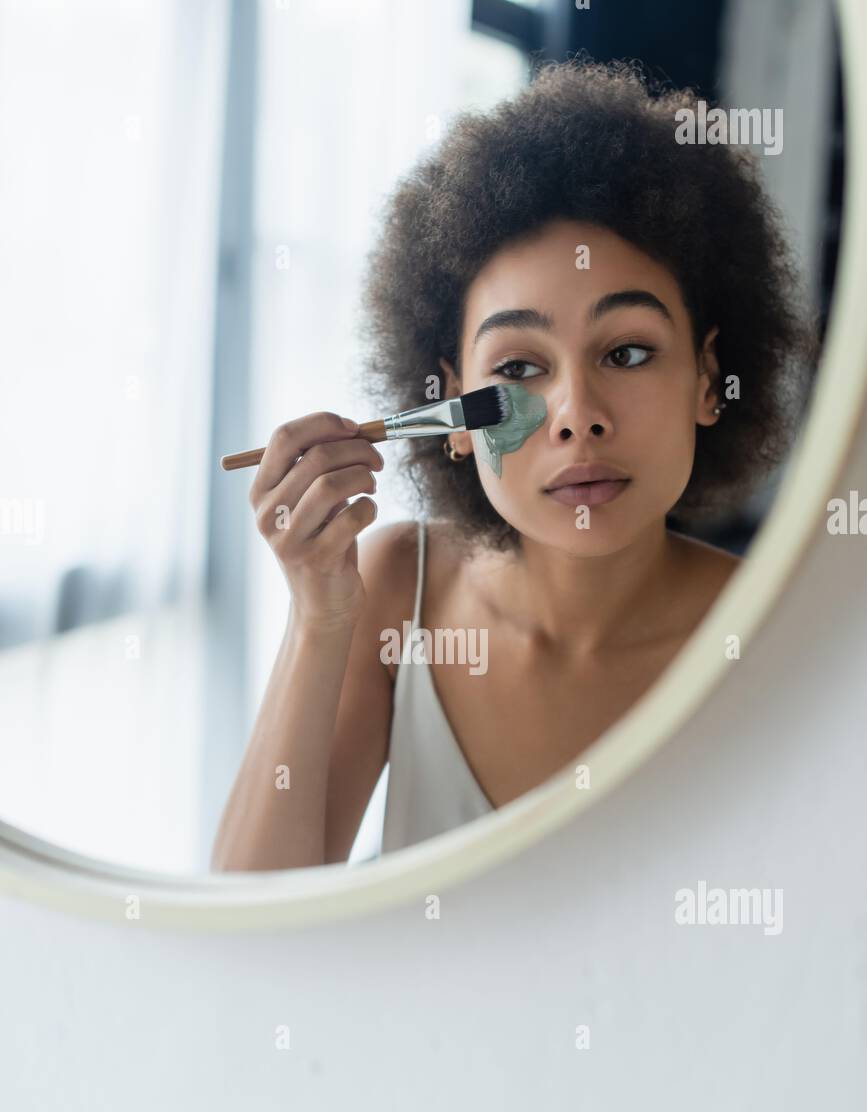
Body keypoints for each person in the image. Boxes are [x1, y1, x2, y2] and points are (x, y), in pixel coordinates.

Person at [210, 57, 819, 871]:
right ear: (456, 413)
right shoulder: (397, 593)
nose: (576, 418)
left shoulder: (784, 637)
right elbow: (255, 918)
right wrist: (318, 619)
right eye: (519, 369)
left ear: (708, 381)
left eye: (628, 351)